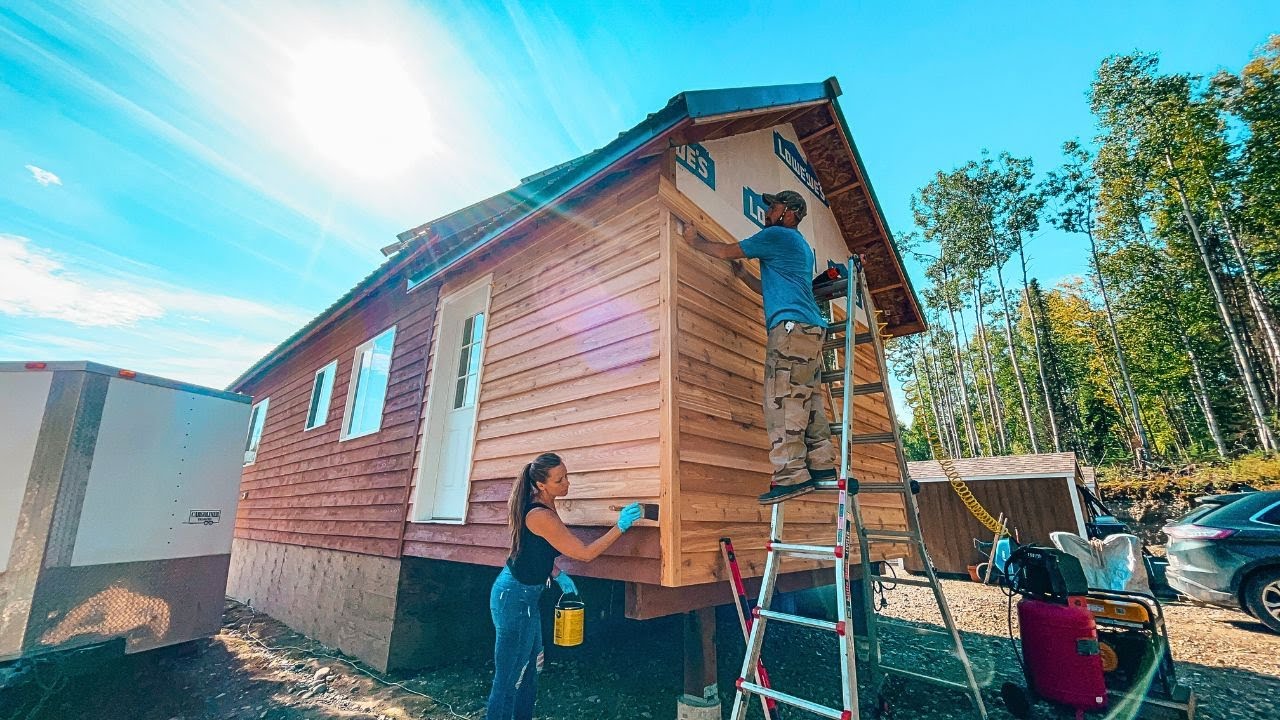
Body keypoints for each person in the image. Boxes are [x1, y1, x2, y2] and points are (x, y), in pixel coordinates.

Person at [682, 190, 838, 505]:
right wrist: (744, 277)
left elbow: (727, 251)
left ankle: (792, 476)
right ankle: (822, 467)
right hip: (809, 329)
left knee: (781, 400)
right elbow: (773, 288)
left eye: (774, 206)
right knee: (808, 399)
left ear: (790, 212)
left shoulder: (777, 235)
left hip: (792, 330)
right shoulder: (799, 247)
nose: (768, 211)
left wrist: (694, 242)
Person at [486, 452, 643, 720]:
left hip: (525, 596)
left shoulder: (547, 502)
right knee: (510, 677)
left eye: (566, 476)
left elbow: (534, 551)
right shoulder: (539, 515)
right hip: (514, 598)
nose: (567, 484)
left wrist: (557, 574)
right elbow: (584, 553)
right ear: (541, 485)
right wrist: (621, 527)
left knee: (531, 670)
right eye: (560, 480)